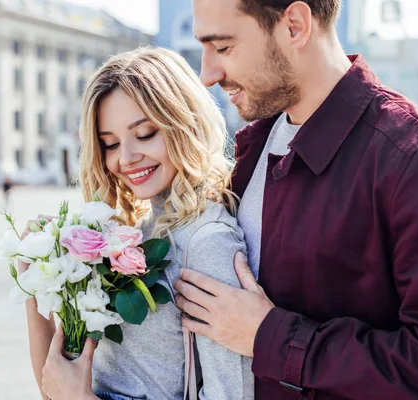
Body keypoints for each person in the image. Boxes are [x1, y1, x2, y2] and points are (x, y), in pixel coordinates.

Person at [174, 1, 418, 399]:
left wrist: (271, 337)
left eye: (224, 48)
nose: (207, 75)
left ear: (295, 26)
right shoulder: (256, 148)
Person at [19, 47, 254, 400]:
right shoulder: (134, 231)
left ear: (185, 122)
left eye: (144, 134)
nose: (125, 159)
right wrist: (35, 279)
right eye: (110, 143)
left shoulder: (206, 243)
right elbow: (56, 385)